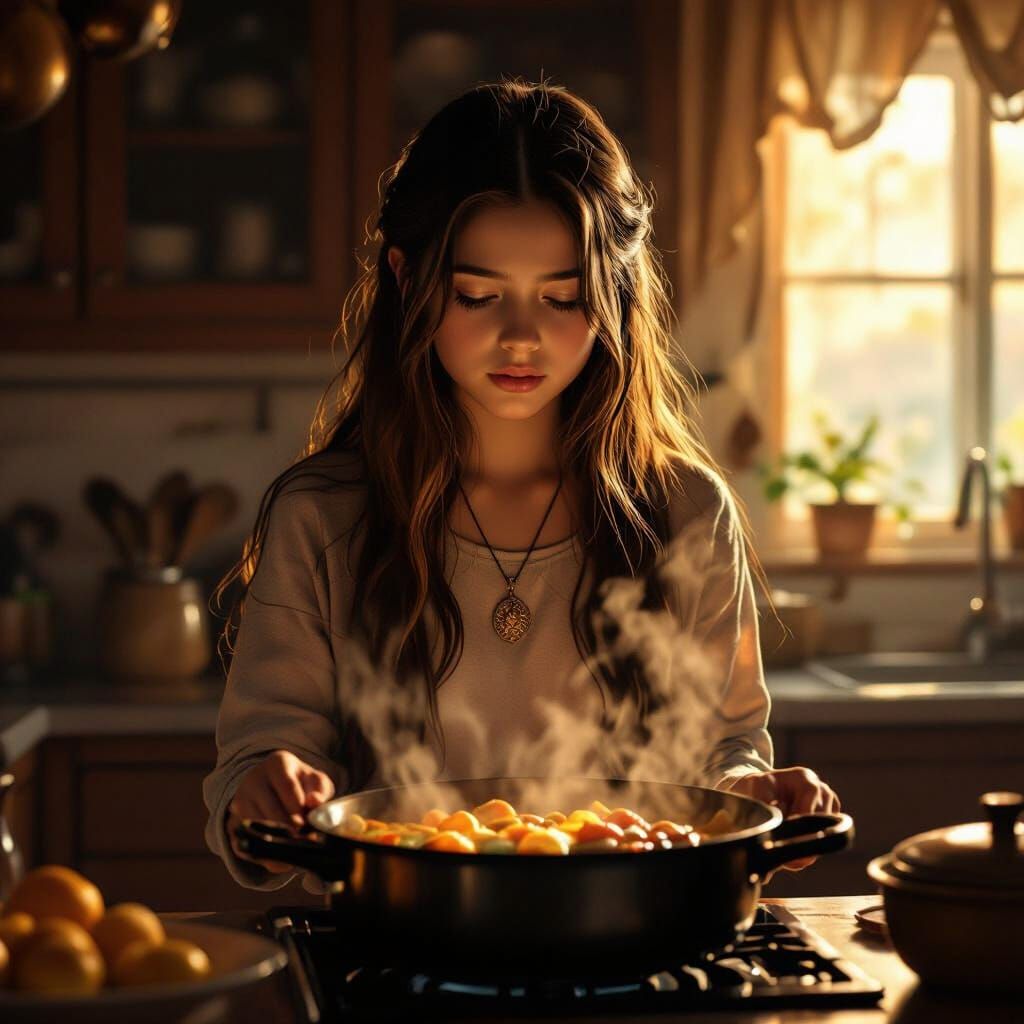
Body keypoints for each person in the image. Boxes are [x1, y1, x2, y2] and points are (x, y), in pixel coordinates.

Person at [202, 78, 839, 892]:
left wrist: (753, 791)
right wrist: (265, 792)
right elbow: (259, 757)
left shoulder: (685, 513)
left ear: (612, 296)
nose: (521, 337)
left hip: (630, 938)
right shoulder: (323, 516)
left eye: (562, 298)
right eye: (477, 294)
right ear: (406, 278)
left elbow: (724, 751)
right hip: (397, 945)